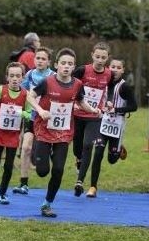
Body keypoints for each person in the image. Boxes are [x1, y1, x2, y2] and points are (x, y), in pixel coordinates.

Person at [28, 47, 101, 218]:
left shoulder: (77, 84)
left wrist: (93, 110)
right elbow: (30, 96)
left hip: (63, 133)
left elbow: (81, 102)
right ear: (57, 65)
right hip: (44, 129)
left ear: (73, 66)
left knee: (59, 169)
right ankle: (38, 153)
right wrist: (40, 110)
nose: (66, 66)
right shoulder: (47, 82)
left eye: (70, 64)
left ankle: (47, 204)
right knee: (42, 171)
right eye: (63, 63)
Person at [81, 57, 138, 198]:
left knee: (111, 159)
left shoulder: (124, 87)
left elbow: (134, 106)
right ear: (108, 67)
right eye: (113, 66)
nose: (115, 70)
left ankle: (118, 150)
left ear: (123, 70)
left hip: (117, 125)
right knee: (98, 153)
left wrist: (117, 110)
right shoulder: (102, 82)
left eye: (119, 67)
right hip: (101, 123)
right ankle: (93, 187)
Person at [0, 62, 31, 205]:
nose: (15, 79)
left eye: (18, 76)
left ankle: (2, 194)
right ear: (7, 77)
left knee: (8, 166)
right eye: (12, 76)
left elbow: (29, 112)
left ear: (22, 78)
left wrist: (22, 113)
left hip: (13, 136)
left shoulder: (25, 94)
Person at [13, 47, 54, 194]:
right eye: (38, 58)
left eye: (43, 59)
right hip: (32, 117)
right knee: (26, 147)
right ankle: (23, 183)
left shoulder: (53, 76)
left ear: (49, 61)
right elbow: (21, 92)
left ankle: (53, 179)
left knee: (46, 153)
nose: (40, 61)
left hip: (47, 119)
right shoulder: (30, 74)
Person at [73, 42, 112, 197]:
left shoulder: (109, 74)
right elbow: (69, 83)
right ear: (92, 55)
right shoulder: (83, 70)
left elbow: (112, 88)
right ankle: (78, 160)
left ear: (107, 58)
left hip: (94, 116)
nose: (100, 60)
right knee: (77, 148)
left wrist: (108, 101)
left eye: (103, 57)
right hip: (77, 114)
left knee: (88, 145)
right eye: (97, 57)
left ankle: (79, 182)